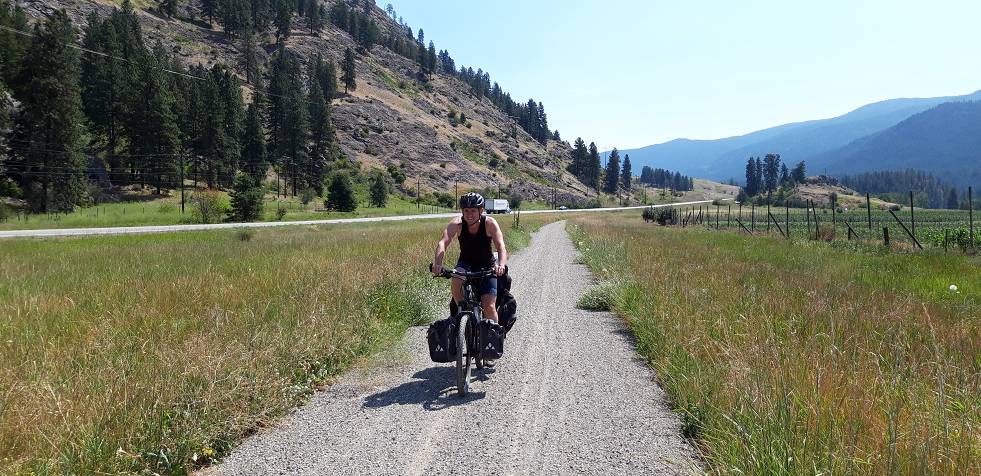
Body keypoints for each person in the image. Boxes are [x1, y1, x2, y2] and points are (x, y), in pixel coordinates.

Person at [432, 192, 508, 329]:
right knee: (456, 277)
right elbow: (442, 243)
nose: (469, 214)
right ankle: (461, 314)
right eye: (466, 211)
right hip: (466, 264)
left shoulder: (489, 223)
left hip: (487, 267)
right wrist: (438, 265)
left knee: (489, 307)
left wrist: (501, 265)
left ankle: (494, 339)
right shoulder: (457, 224)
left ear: (481, 211)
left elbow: (501, 245)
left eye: (473, 210)